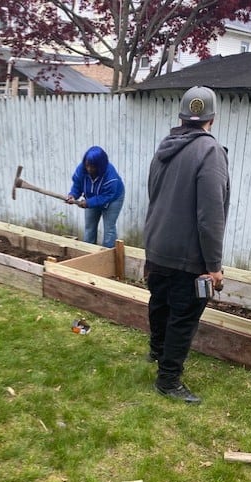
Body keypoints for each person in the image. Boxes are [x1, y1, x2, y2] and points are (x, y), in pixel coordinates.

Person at [143, 86, 230, 404]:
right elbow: (211, 214)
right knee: (183, 316)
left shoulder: (165, 147)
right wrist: (214, 266)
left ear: (181, 117)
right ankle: (168, 380)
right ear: (212, 119)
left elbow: (153, 195)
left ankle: (156, 351)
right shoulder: (210, 152)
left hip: (157, 244)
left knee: (160, 303)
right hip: (188, 254)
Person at [66, 146, 125, 248]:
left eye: (93, 166)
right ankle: (88, 251)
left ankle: (108, 252)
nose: (89, 169)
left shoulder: (110, 177)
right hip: (91, 198)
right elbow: (77, 185)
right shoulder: (81, 169)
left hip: (112, 199)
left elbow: (107, 195)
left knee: (109, 228)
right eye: (87, 165)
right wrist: (73, 195)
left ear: (100, 165)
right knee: (89, 227)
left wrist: (89, 203)